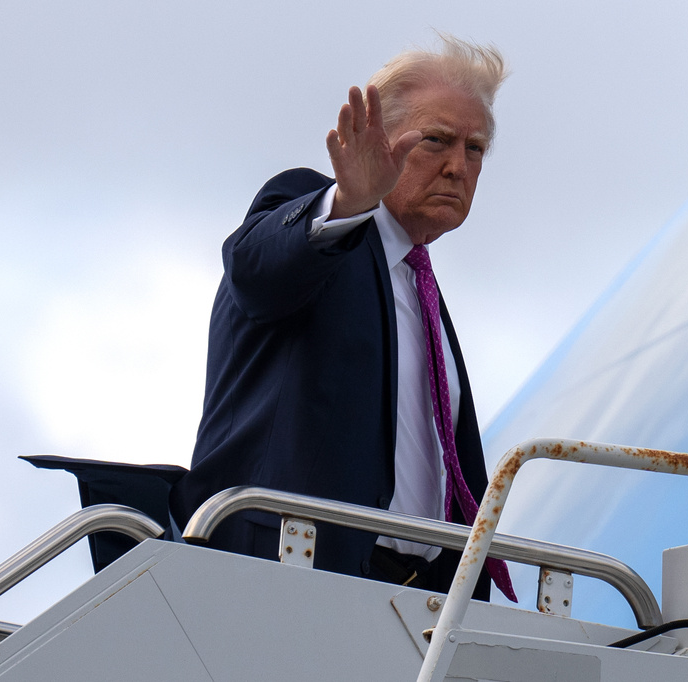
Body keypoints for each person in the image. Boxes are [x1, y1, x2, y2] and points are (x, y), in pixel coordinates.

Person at [169, 36, 514, 601]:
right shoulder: (320, 218)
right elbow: (255, 271)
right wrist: (347, 203)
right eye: (437, 141)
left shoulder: (417, 280)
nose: (457, 166)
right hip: (283, 580)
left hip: (414, 602)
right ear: (379, 142)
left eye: (475, 149)